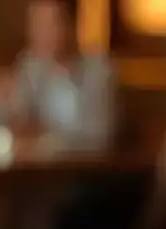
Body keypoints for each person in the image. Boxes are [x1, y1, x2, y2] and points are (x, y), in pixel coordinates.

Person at [11, 0, 113, 147]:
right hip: (38, 167)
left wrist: (44, 133)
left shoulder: (99, 72)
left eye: (48, 25)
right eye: (36, 25)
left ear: (70, 25)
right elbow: (18, 120)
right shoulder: (31, 67)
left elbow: (98, 135)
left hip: (86, 167)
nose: (40, 35)